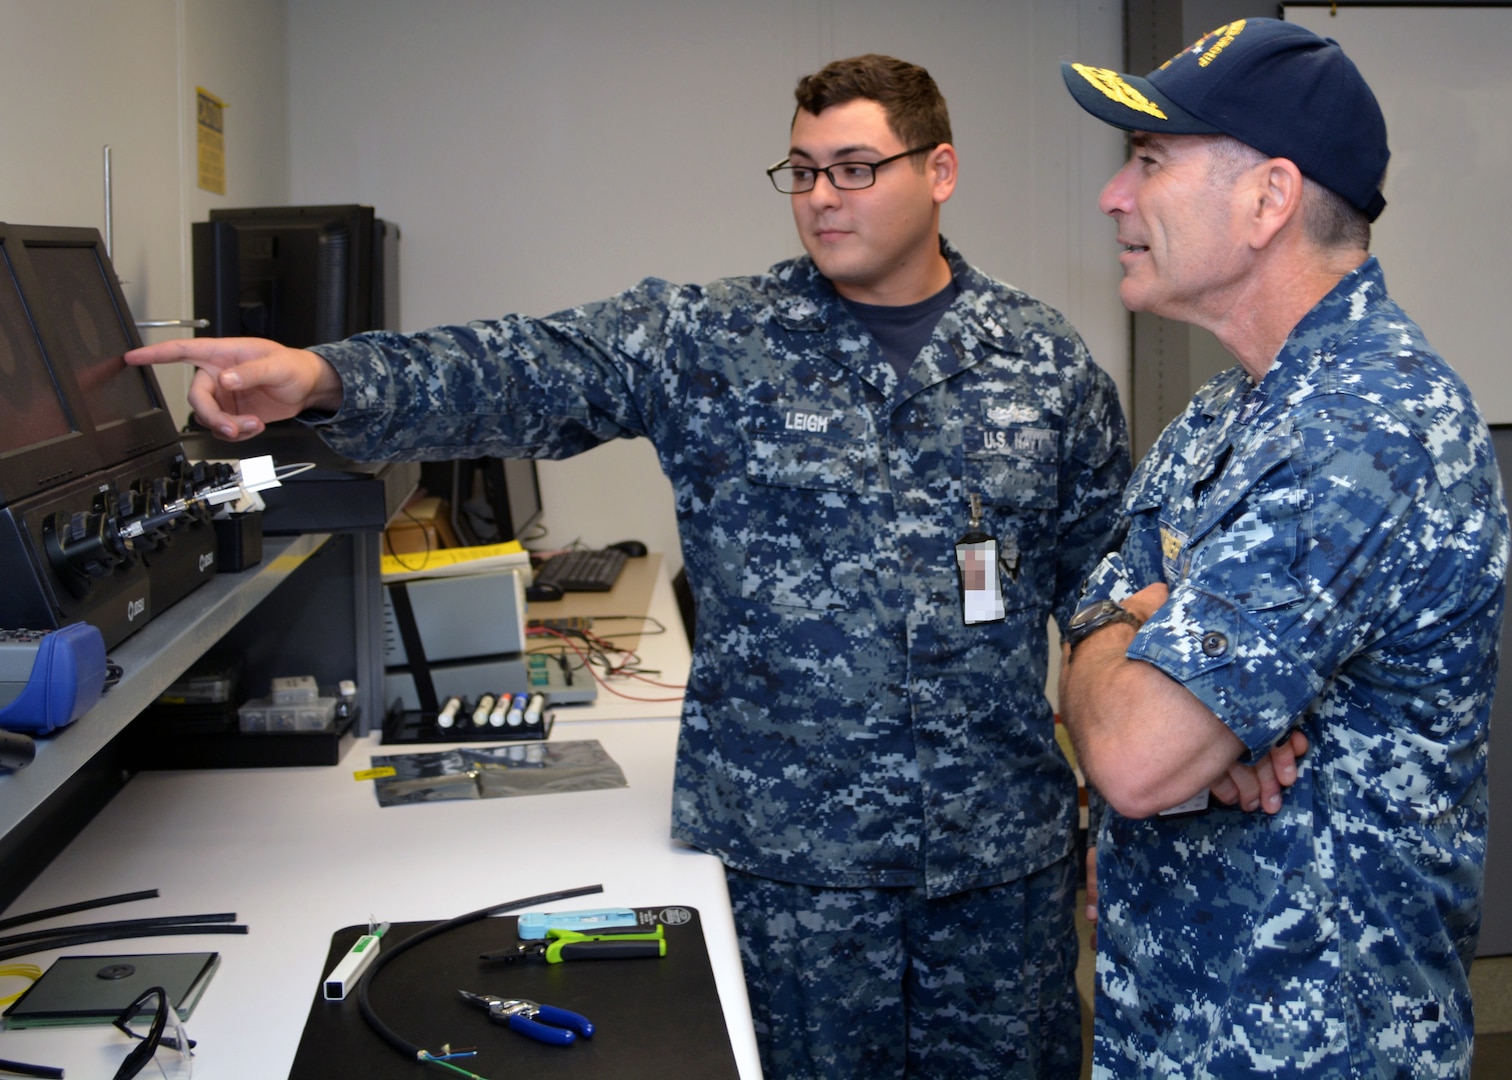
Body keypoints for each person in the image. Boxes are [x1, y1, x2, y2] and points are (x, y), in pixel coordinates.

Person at [134, 55, 1133, 1078]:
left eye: (855, 168)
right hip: (794, 877)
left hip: (998, 868)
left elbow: (1111, 596)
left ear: (941, 171)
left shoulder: (1043, 363)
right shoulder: (713, 340)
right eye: (802, 171)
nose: (823, 198)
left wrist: (1126, 809)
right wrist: (326, 376)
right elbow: (524, 364)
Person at [1057, 18, 1510, 1078]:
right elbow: (1090, 629)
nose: (1114, 196)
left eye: (1151, 160)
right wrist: (1131, 640)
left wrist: (1151, 668)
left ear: (1268, 200)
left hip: (1317, 1049)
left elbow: (1129, 754)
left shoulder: (1367, 427)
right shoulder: (1227, 413)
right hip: (1175, 1031)